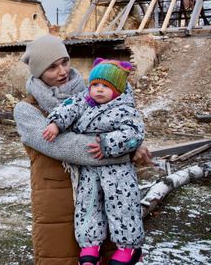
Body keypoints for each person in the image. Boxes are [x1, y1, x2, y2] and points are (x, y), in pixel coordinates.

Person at [13, 34, 152, 265]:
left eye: (64, 62)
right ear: (38, 72)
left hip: (104, 190)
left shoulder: (96, 92)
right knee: (60, 257)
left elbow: (122, 121)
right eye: (52, 67)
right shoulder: (26, 110)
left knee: (107, 254)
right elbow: (68, 147)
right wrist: (125, 151)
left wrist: (133, 141)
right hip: (56, 197)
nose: (62, 71)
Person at [43, 58, 145, 265]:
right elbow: (68, 107)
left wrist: (107, 144)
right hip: (89, 171)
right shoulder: (84, 101)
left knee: (123, 206)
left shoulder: (125, 109)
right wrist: (56, 123)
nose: (98, 90)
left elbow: (134, 133)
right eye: (95, 85)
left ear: (117, 90)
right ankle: (90, 244)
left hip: (118, 170)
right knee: (87, 206)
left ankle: (128, 247)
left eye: (105, 87)